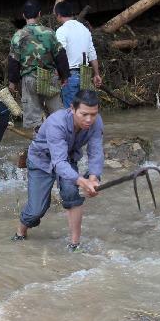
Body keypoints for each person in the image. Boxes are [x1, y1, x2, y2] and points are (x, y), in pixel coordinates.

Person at [14, 89, 104, 252]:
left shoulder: (96, 123)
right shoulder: (57, 122)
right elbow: (58, 162)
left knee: (72, 195)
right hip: (42, 160)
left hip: (68, 158)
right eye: (84, 114)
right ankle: (20, 231)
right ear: (72, 109)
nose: (89, 119)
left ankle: (74, 244)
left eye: (94, 114)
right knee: (36, 211)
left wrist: (94, 177)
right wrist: (82, 181)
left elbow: (96, 152)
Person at [7, 0, 70, 130]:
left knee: (34, 119)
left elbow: (13, 61)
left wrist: (12, 82)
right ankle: (60, 141)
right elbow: (60, 55)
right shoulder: (49, 33)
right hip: (49, 78)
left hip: (30, 79)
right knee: (58, 115)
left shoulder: (18, 35)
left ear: (23, 15)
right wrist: (65, 76)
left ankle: (39, 144)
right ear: (40, 14)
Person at [54, 1, 102, 107]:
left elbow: (61, 53)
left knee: (71, 112)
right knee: (84, 111)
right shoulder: (84, 29)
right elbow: (92, 54)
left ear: (58, 15)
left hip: (70, 76)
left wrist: (58, 73)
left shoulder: (61, 30)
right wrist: (97, 74)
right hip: (85, 75)